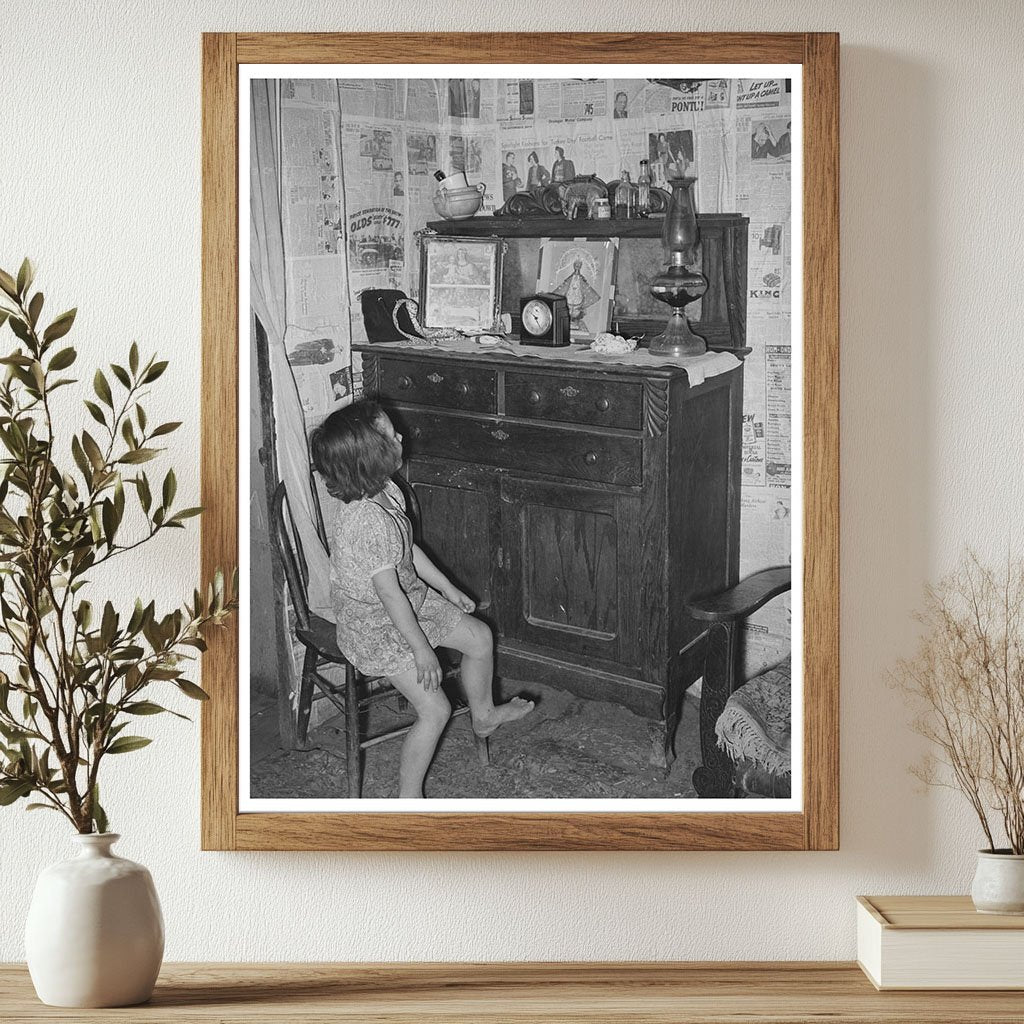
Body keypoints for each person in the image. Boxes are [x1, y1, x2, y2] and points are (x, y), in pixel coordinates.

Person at [310, 401, 535, 798]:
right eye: (389, 434)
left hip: (406, 599)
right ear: (369, 457)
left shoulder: (386, 489)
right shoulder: (365, 522)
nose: (400, 435)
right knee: (436, 710)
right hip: (376, 626)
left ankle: (483, 716)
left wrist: (448, 589)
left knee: (480, 637)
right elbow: (388, 595)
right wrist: (422, 651)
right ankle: (408, 799)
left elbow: (408, 549)